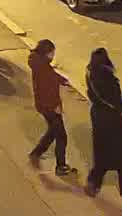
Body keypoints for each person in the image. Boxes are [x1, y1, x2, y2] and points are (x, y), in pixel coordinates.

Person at [84, 48, 122, 198]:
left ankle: (94, 182)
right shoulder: (107, 77)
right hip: (113, 119)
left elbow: (97, 95)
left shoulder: (90, 74)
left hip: (98, 116)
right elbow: (114, 100)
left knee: (102, 154)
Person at [28, 39, 75, 176]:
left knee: (53, 131)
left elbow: (52, 76)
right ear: (47, 53)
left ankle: (36, 153)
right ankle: (61, 166)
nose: (54, 55)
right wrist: (55, 107)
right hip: (49, 107)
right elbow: (48, 89)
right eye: (52, 53)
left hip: (43, 105)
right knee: (61, 136)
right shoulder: (43, 68)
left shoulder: (39, 64)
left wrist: (63, 80)